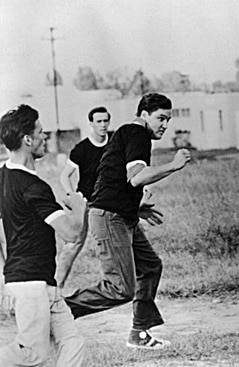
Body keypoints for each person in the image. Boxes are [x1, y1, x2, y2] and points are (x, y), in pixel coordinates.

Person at [63, 93, 191, 350]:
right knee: (120, 288)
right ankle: (58, 311)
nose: (164, 125)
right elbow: (136, 177)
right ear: (144, 115)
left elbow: (113, 178)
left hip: (121, 214)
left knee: (150, 266)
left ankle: (139, 333)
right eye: (160, 118)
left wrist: (135, 206)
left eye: (167, 119)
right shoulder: (137, 133)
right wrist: (174, 165)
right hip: (110, 217)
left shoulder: (128, 134)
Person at [0, 104, 87, 366]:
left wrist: (6, 277)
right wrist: (79, 209)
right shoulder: (35, 187)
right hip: (32, 285)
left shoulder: (2, 177)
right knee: (32, 354)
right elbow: (71, 234)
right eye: (41, 132)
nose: (45, 137)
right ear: (28, 139)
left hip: (34, 282)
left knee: (73, 341)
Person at [56, 106, 111, 290]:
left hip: (108, 203)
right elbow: (65, 176)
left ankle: (116, 286)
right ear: (91, 124)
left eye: (105, 121)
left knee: (110, 244)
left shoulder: (115, 146)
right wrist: (73, 198)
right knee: (74, 243)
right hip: (86, 202)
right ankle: (55, 288)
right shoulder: (82, 149)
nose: (103, 125)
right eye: (99, 121)